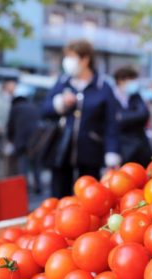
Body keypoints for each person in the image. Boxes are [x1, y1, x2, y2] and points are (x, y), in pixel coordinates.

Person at [43, 40, 121, 198]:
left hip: (91, 153)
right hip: (62, 152)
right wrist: (60, 102)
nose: (67, 62)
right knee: (59, 196)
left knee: (89, 196)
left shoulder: (103, 87)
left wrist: (112, 152)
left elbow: (111, 123)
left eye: (71, 57)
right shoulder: (62, 82)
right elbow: (44, 109)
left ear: (85, 59)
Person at [112, 66, 152, 165]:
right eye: (132, 80)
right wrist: (132, 116)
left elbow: (144, 114)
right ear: (121, 80)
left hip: (141, 148)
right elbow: (114, 121)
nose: (135, 83)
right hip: (123, 150)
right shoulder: (111, 98)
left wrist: (123, 116)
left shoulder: (136, 96)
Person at [7, 91, 43, 194]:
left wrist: (10, 139)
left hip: (22, 141)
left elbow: (10, 126)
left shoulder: (15, 109)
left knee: (23, 166)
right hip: (37, 140)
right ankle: (38, 186)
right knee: (36, 165)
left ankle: (24, 188)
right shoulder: (34, 106)